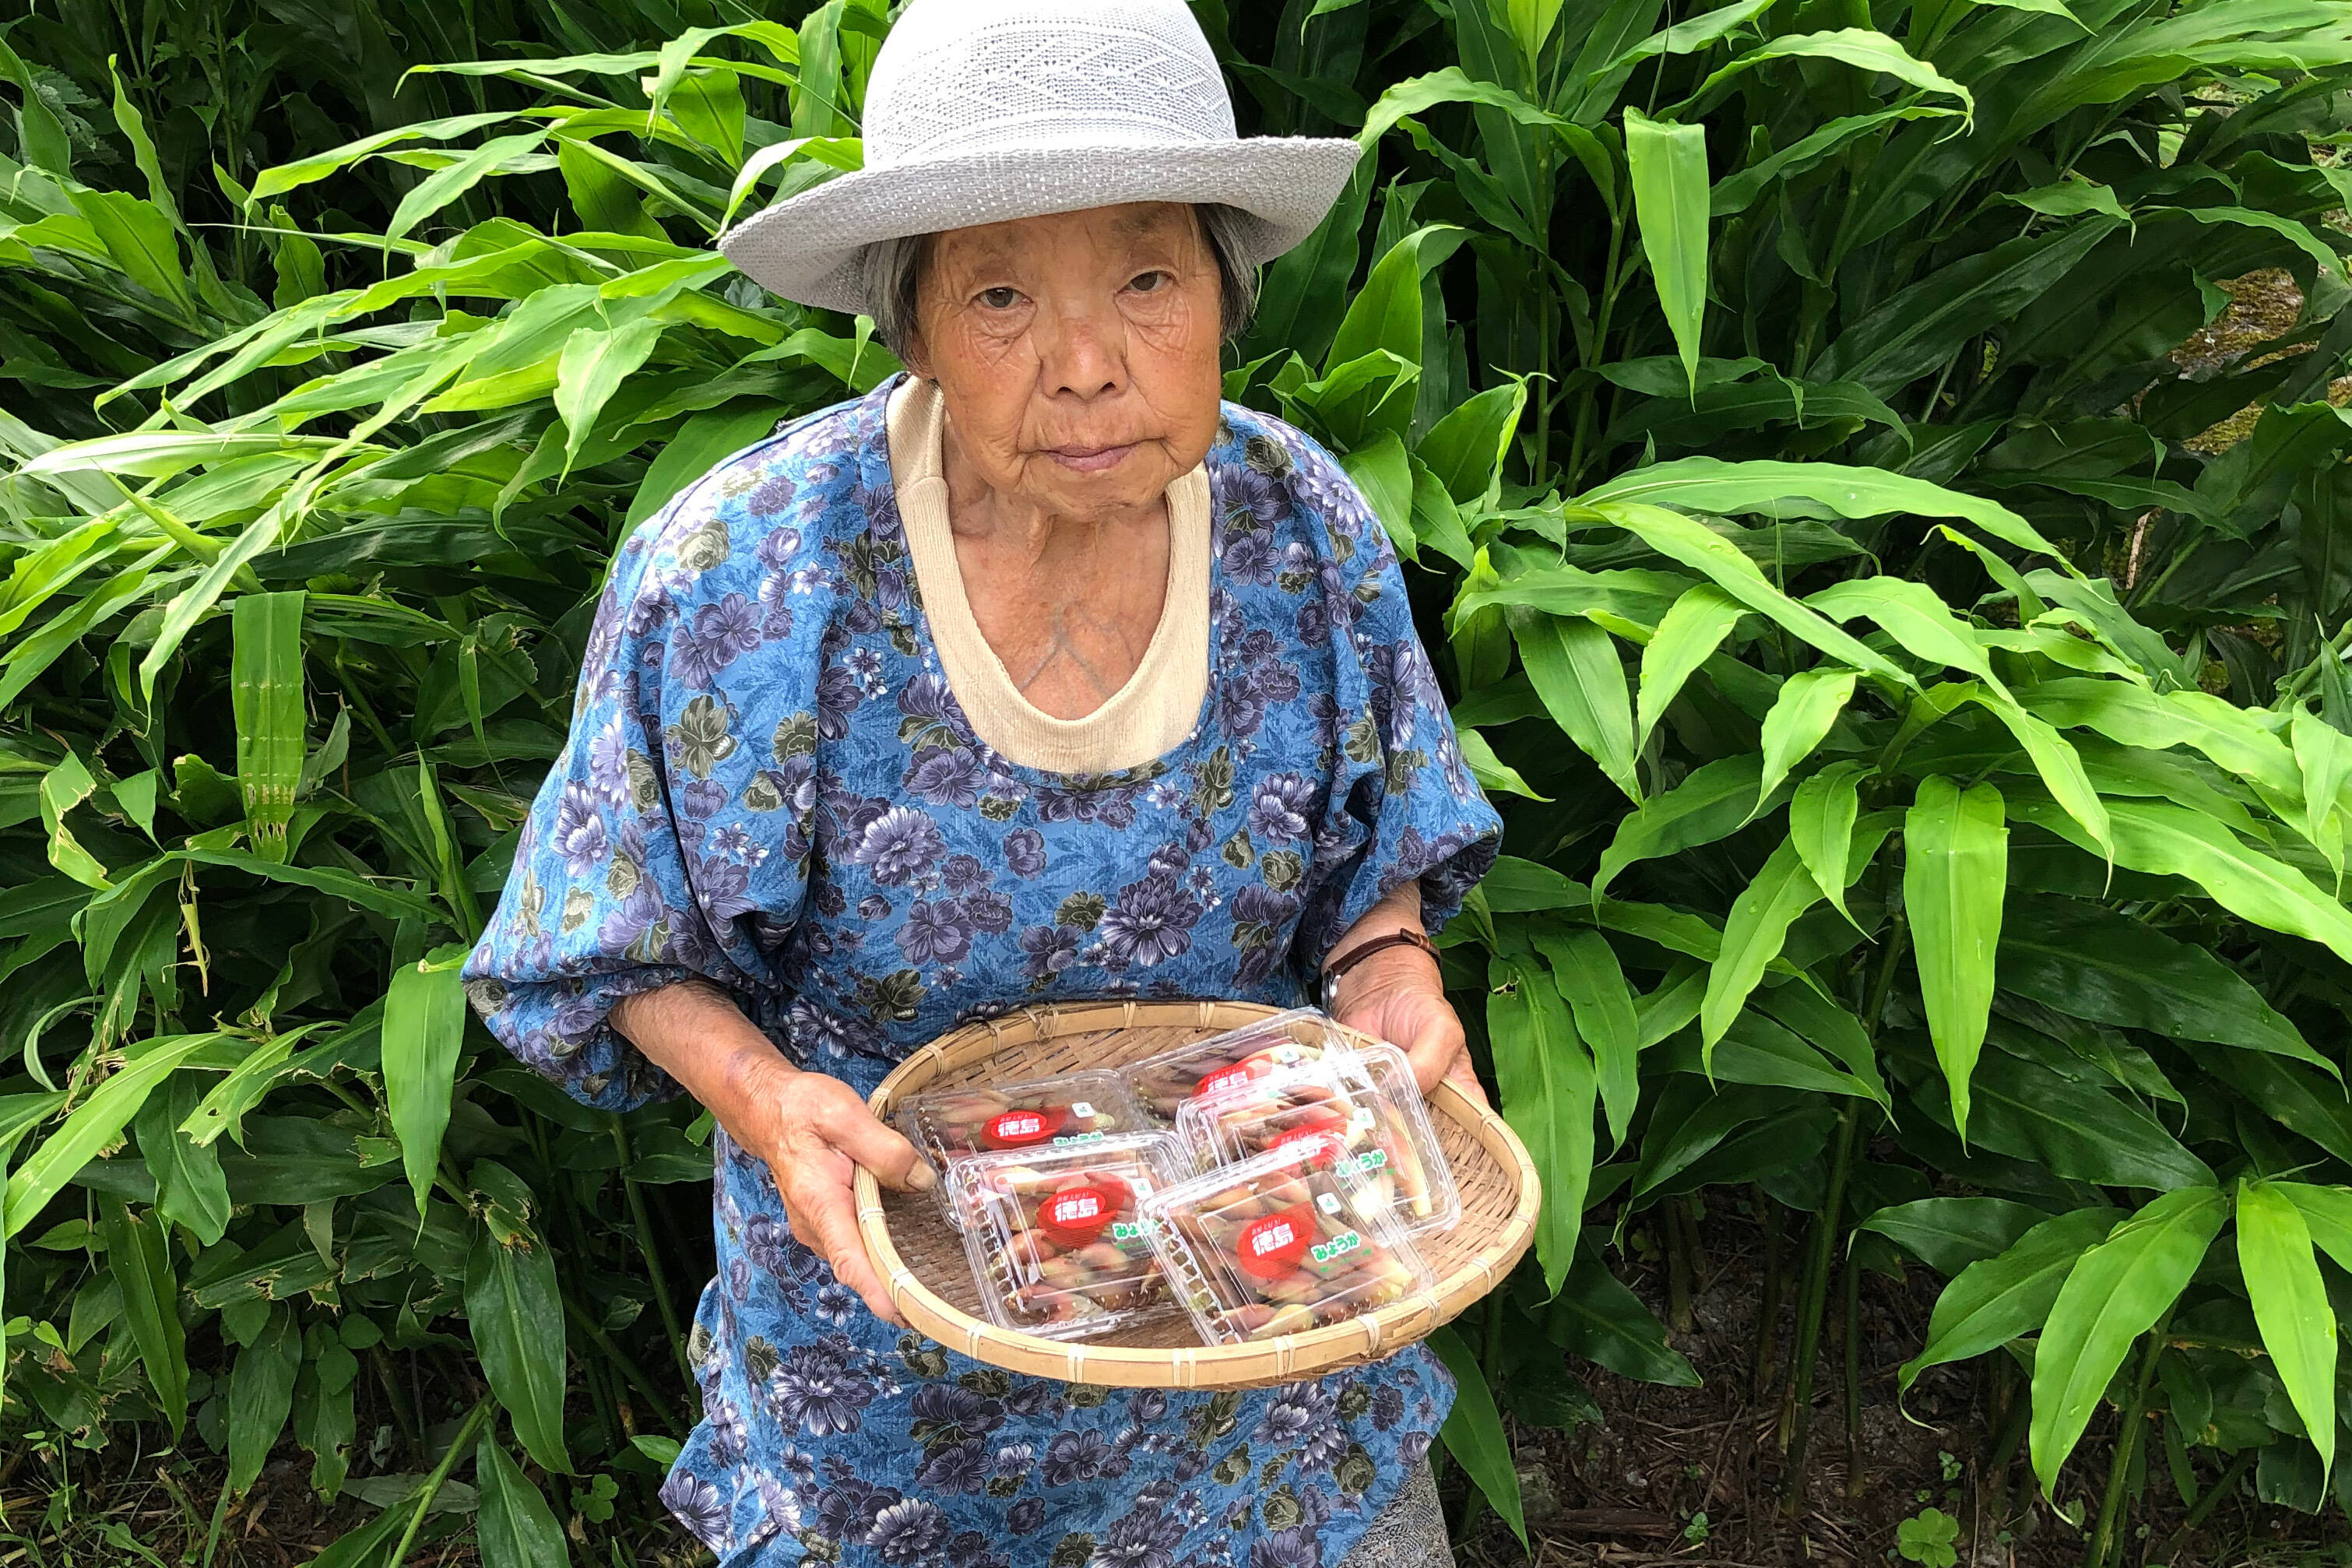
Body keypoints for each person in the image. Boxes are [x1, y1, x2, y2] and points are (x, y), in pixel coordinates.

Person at [463, 1, 1502, 1561]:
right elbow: (607, 928)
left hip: (1266, 1326)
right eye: (1001, 293)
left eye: (1146, 277)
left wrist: (1392, 971)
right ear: (912, 327)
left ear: (1225, 290)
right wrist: (767, 1103)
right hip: (886, 1367)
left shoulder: (1303, 529)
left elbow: (1371, 869)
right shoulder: (750, 572)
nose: (1084, 366)